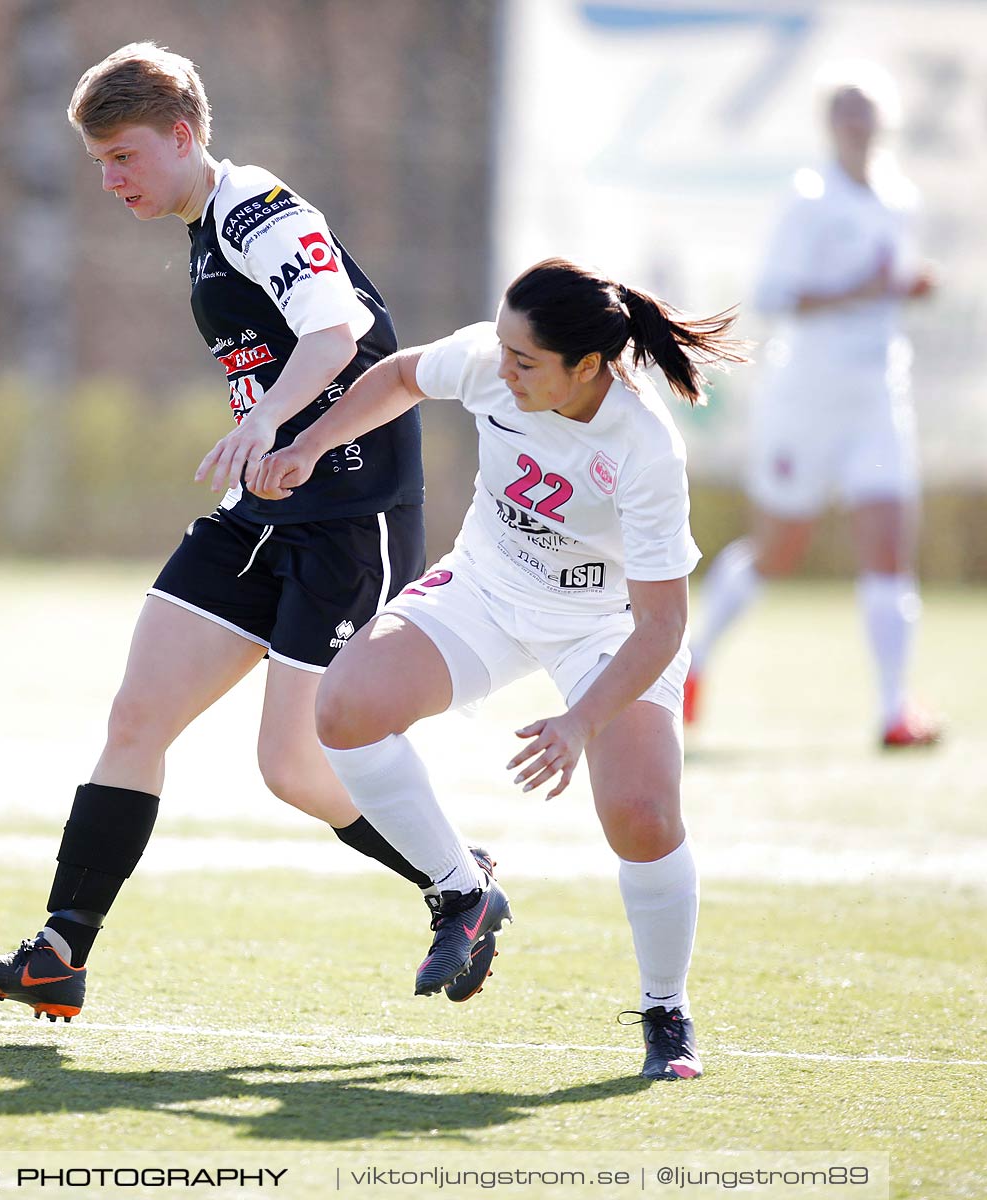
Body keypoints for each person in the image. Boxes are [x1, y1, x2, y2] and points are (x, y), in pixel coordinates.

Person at [0, 42, 497, 1021]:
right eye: (99, 164)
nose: (110, 180)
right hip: (264, 508)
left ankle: (459, 882)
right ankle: (59, 950)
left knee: (293, 770)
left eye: (123, 156)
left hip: (350, 515)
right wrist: (264, 434)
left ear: (182, 135)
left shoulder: (256, 209)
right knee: (136, 719)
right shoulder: (205, 226)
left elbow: (339, 333)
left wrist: (265, 419)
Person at [254, 258, 745, 1081]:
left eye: (526, 361)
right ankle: (461, 892)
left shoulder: (645, 448)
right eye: (505, 349)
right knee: (344, 707)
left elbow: (663, 625)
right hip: (488, 587)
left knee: (644, 816)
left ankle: (666, 1010)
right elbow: (405, 374)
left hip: (606, 627)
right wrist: (306, 446)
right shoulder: (494, 360)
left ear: (586, 368)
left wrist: (580, 721)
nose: (502, 367)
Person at [686, 65, 940, 748]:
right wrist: (862, 289)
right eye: (846, 112)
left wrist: (907, 287)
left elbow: (889, 282)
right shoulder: (810, 198)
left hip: (878, 390)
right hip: (808, 395)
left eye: (868, 111)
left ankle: (894, 710)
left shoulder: (900, 199)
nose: (858, 124)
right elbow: (773, 294)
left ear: (884, 122)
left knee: (889, 547)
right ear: (831, 125)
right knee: (779, 549)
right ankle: (694, 660)